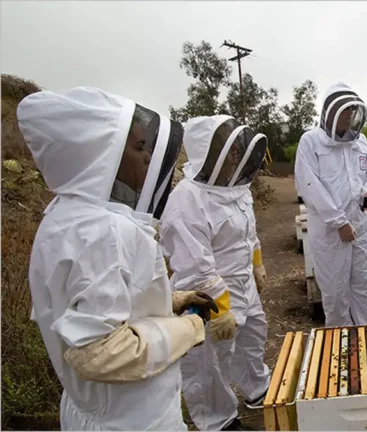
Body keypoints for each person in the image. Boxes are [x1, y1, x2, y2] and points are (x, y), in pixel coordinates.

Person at [18, 86, 219, 430]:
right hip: (133, 419)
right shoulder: (105, 231)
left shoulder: (64, 217)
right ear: (96, 154)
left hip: (97, 411)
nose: (147, 157)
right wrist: (189, 327)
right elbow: (99, 352)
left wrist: (169, 301)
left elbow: (86, 306)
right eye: (138, 146)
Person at [159, 115, 271, 431]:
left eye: (237, 149)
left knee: (253, 337)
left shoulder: (238, 188)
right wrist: (221, 310)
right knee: (209, 361)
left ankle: (257, 387)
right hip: (207, 296)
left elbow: (250, 234)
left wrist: (257, 264)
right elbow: (195, 266)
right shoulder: (187, 200)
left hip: (244, 285)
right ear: (210, 153)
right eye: (229, 149)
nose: (235, 155)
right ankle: (217, 419)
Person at [294, 82, 367, 327]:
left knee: (364, 287)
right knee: (335, 293)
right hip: (330, 233)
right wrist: (339, 222)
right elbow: (309, 187)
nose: (348, 116)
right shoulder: (311, 142)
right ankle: (340, 345)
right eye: (344, 111)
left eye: (351, 111)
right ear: (329, 112)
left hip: (360, 228)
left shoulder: (361, 141)